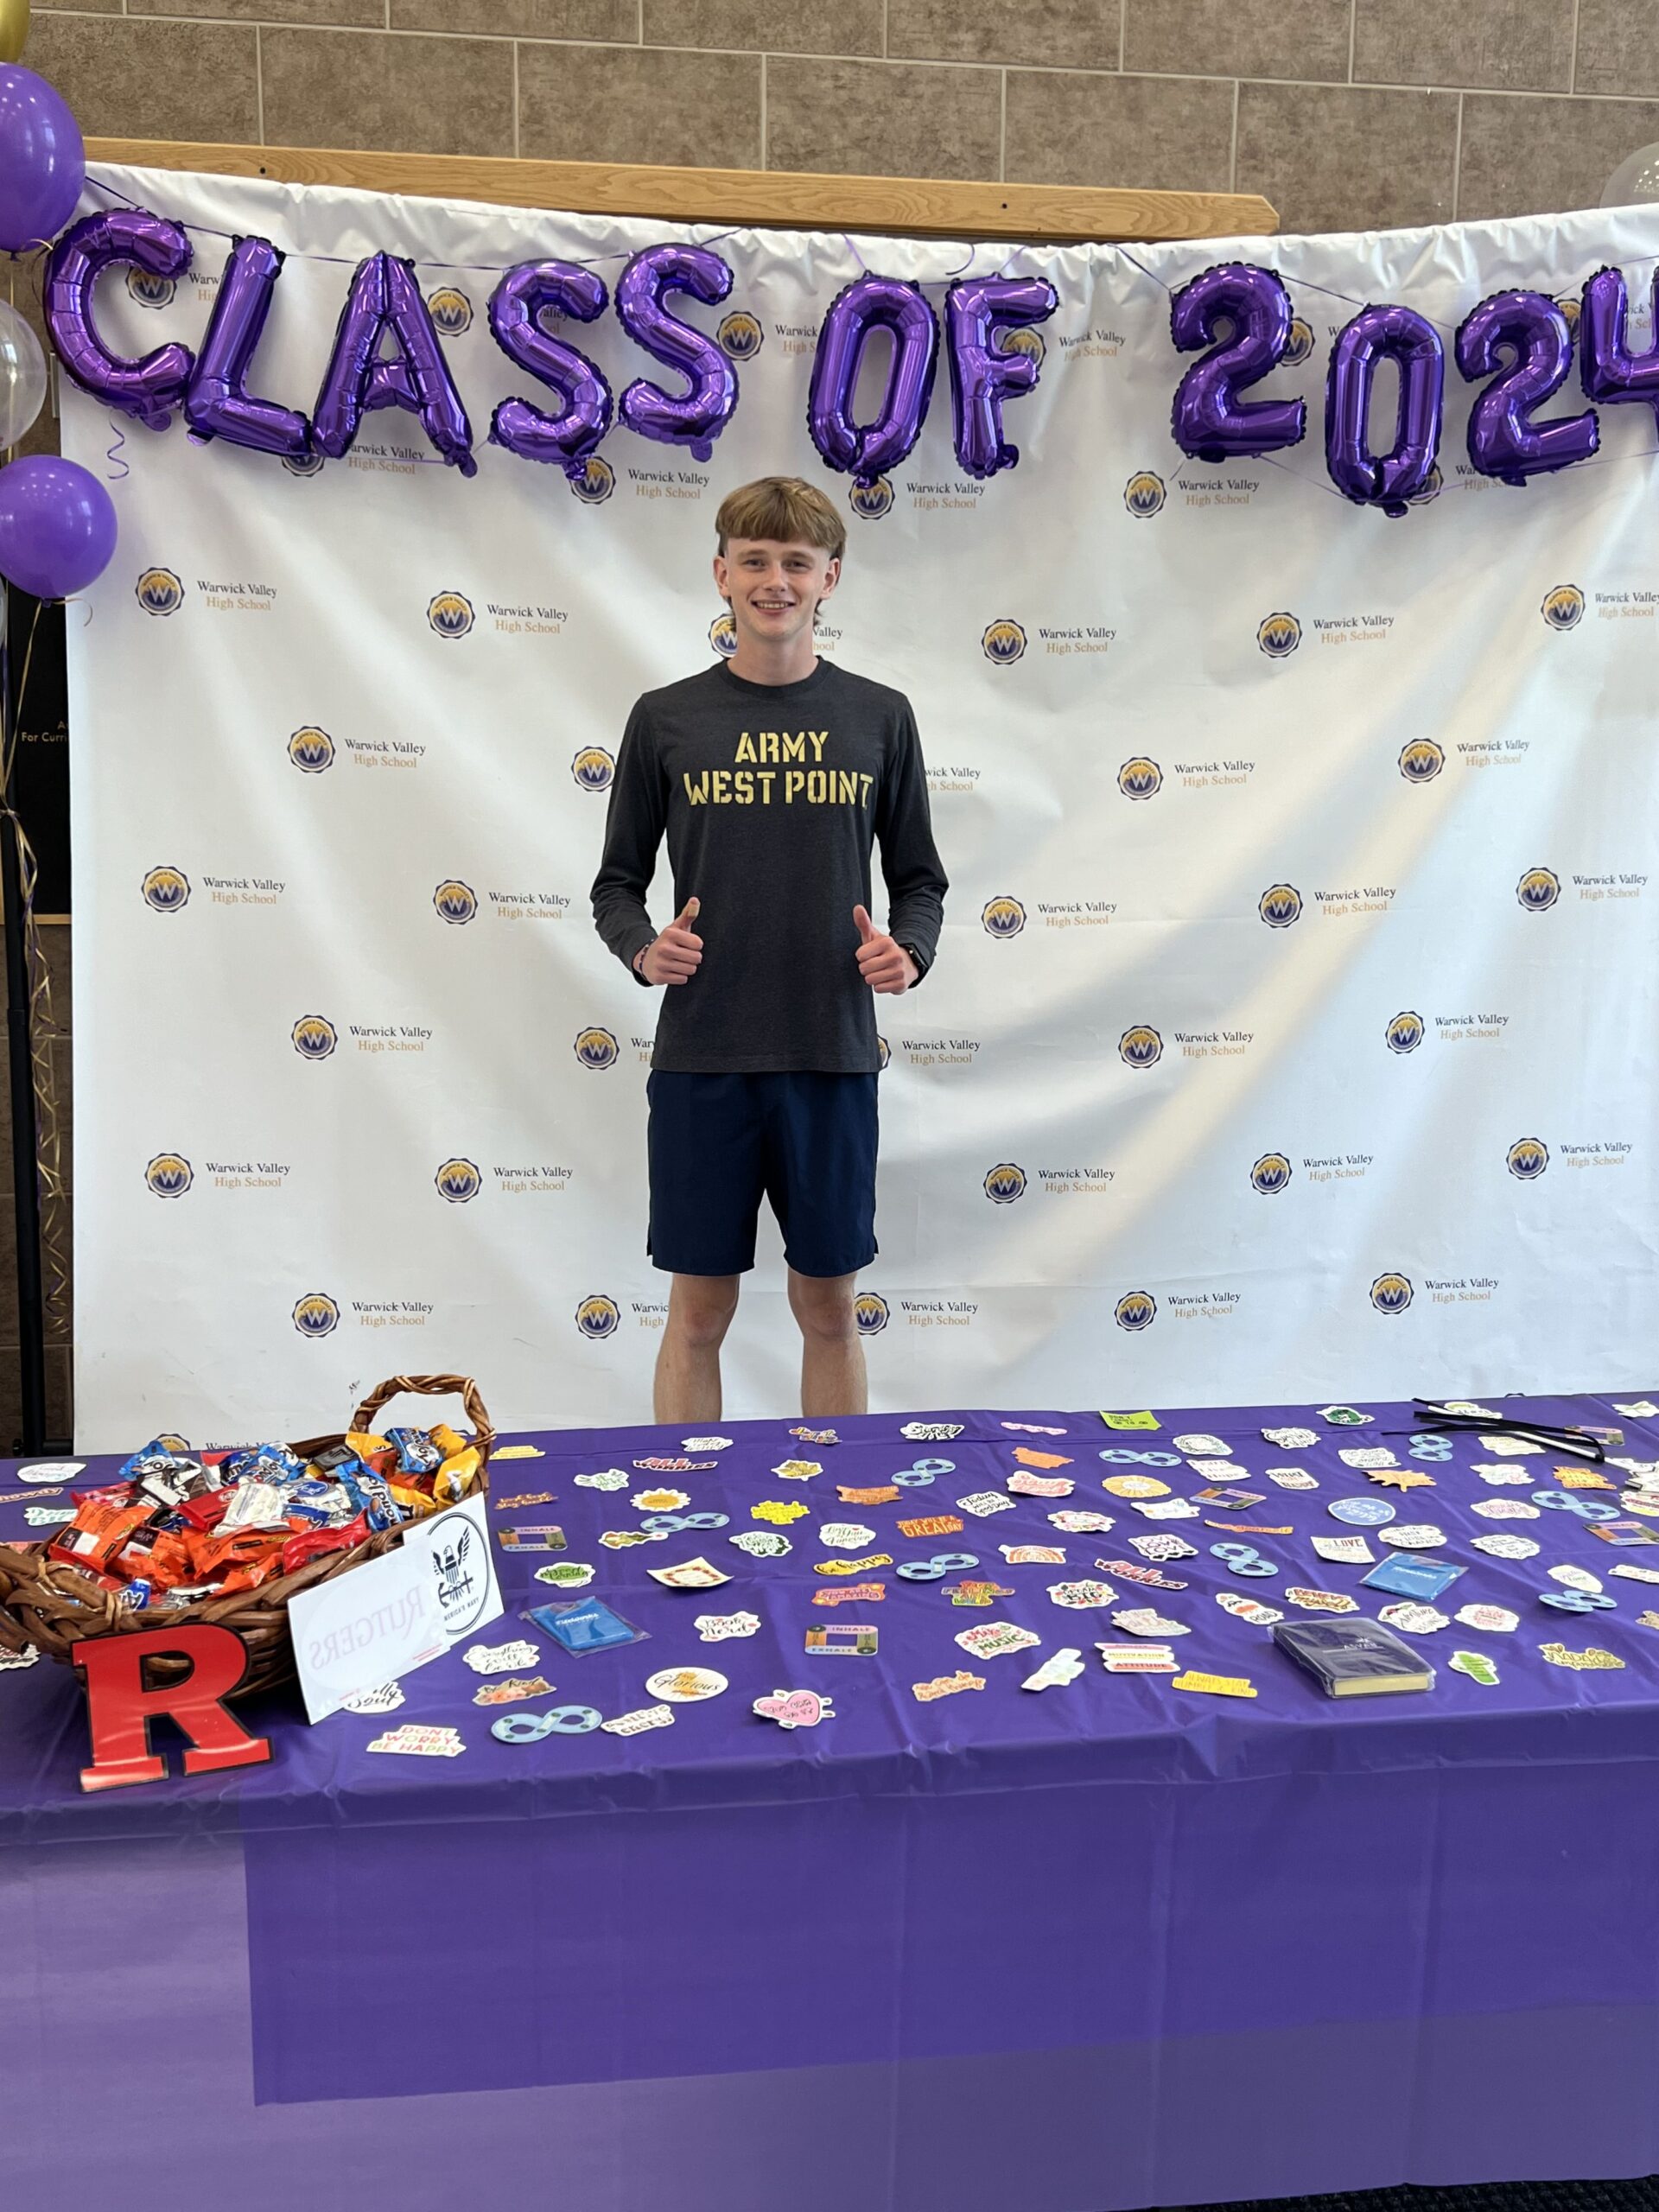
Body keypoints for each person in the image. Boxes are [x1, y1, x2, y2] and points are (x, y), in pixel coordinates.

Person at [591, 475, 948, 1421]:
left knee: (828, 1307)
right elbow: (615, 885)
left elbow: (920, 881)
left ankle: (842, 1515)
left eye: (796, 562)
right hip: (704, 1058)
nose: (775, 579)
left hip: (831, 1055)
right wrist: (641, 950)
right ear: (721, 574)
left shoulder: (881, 716)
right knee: (699, 1310)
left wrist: (908, 951)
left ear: (831, 576)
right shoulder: (666, 718)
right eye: (754, 560)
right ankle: (681, 1508)